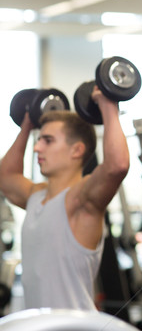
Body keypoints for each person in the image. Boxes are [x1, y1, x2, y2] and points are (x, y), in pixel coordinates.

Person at [0, 86, 130, 311]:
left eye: (48, 141)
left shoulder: (81, 201)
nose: (37, 148)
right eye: (38, 140)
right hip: (42, 326)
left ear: (76, 150)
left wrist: (108, 106)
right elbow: (6, 176)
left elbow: (117, 166)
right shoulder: (35, 195)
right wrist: (27, 125)